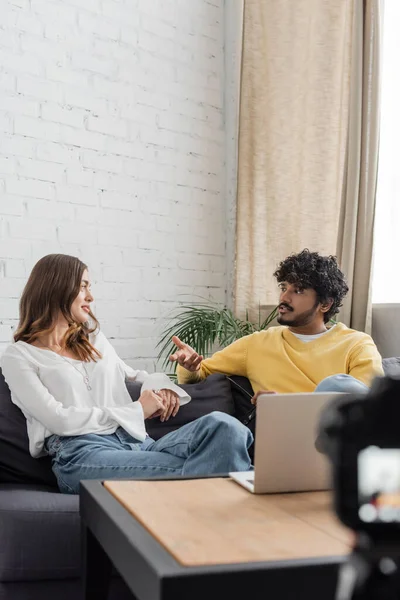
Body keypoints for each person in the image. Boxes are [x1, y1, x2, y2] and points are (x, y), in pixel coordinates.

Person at [0, 254, 252, 494]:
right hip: (81, 454)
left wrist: (162, 386)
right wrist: (137, 411)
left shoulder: (93, 341)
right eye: (83, 286)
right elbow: (59, 420)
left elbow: (134, 375)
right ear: (56, 288)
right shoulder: (19, 356)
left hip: (137, 443)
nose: (90, 296)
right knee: (216, 467)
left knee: (228, 428)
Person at [170, 249, 384, 403]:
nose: (284, 297)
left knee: (337, 386)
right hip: (282, 438)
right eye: (284, 287)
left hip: (338, 440)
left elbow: (369, 405)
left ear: (325, 304)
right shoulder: (257, 344)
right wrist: (191, 366)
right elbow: (202, 373)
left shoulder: (356, 344)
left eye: (298, 290)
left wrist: (284, 404)